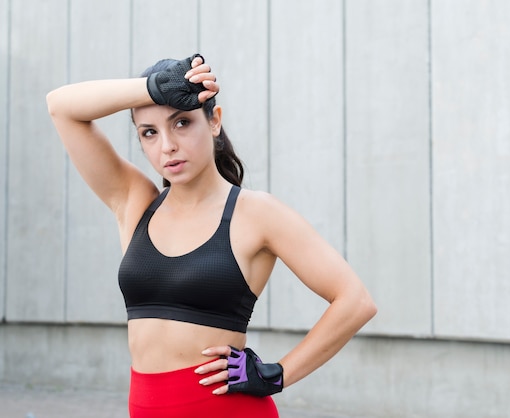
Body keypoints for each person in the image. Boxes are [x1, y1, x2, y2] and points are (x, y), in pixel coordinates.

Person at [46, 53, 377, 417]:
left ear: (214, 121)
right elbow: (61, 107)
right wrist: (151, 88)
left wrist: (277, 374)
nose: (167, 146)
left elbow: (355, 301)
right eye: (149, 133)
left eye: (182, 122)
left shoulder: (256, 213)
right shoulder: (136, 202)